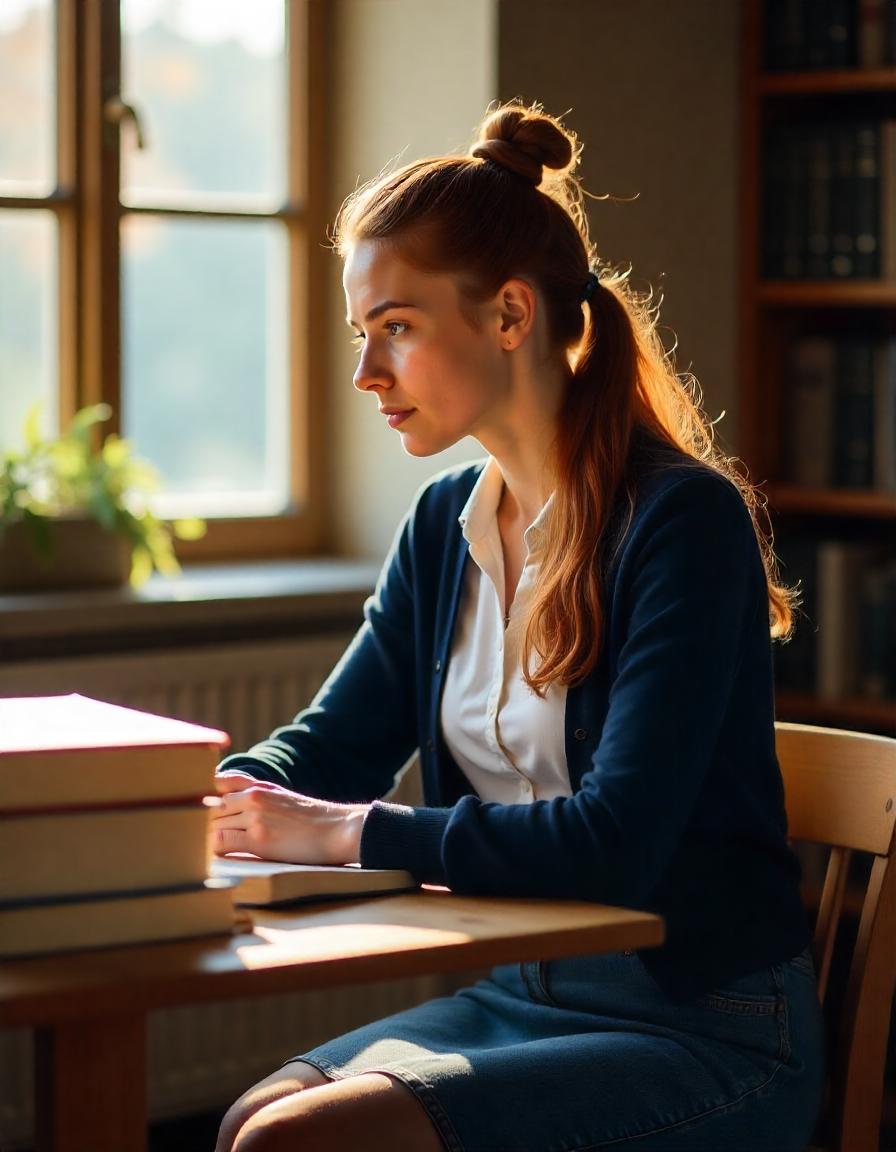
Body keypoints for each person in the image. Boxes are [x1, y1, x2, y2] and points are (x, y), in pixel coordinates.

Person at [211, 101, 825, 1152]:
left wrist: (347, 831)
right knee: (251, 1119)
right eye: (363, 335)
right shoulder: (442, 527)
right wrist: (202, 793)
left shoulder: (681, 523)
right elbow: (331, 747)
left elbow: (614, 842)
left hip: (708, 1030)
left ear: (507, 315)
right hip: (523, 995)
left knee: (293, 1144)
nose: (366, 374)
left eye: (395, 329)